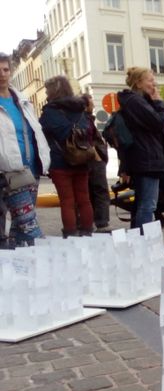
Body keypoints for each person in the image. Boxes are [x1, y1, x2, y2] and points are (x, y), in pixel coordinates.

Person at [0, 52, 48, 247]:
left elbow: (34, 131)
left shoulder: (21, 100)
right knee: (29, 225)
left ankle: (16, 266)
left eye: (5, 69)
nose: (2, 74)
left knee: (20, 227)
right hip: (10, 172)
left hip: (32, 168)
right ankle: (49, 260)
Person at [39, 75, 94, 238]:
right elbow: (87, 130)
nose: (46, 94)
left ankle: (70, 235)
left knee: (67, 201)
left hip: (59, 160)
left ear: (53, 91)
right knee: (84, 199)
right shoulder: (79, 108)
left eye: (47, 90)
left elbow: (42, 133)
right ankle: (87, 231)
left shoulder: (49, 112)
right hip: (82, 158)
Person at [116, 67, 164, 229]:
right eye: (150, 80)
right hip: (146, 157)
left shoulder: (135, 101)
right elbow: (159, 123)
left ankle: (141, 240)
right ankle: (145, 242)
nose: (154, 84)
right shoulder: (135, 101)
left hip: (144, 157)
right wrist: (159, 102)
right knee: (148, 205)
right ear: (138, 83)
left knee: (145, 203)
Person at [81, 94, 111, 233]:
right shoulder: (85, 120)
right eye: (91, 103)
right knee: (99, 191)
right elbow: (88, 141)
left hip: (92, 160)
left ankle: (92, 222)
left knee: (92, 192)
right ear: (86, 106)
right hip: (94, 161)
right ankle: (102, 223)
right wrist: (98, 157)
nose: (93, 105)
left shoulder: (85, 119)